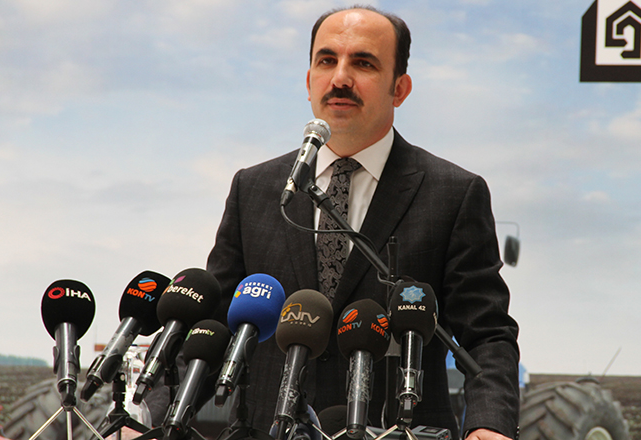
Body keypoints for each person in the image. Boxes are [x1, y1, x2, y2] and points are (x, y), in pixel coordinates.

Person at [205, 6, 519, 440]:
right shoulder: (255, 188)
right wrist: (150, 413)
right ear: (309, 80)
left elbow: (487, 334)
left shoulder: (453, 193)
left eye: (363, 63)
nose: (340, 78)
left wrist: (488, 423)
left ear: (399, 89)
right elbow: (214, 325)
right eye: (327, 60)